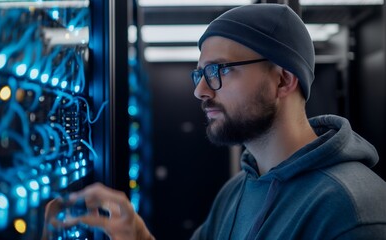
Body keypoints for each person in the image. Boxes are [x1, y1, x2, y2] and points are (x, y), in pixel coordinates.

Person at [43, 3, 386, 240]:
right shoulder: (237, 190)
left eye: (218, 70)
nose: (200, 91)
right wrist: (136, 234)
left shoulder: (352, 211)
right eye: (199, 73)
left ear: (283, 80)